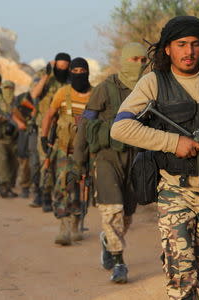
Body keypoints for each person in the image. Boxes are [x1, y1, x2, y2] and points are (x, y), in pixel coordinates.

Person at [110, 16, 199, 299]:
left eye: (194, 44)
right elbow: (120, 126)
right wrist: (172, 142)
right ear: (167, 49)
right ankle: (178, 265)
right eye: (181, 45)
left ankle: (180, 262)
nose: (188, 52)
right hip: (173, 188)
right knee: (182, 280)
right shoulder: (153, 82)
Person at [73, 42, 147, 284]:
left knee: (127, 213)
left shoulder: (149, 89)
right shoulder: (105, 89)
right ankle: (119, 262)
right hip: (107, 157)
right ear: (124, 60)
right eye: (133, 60)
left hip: (135, 158)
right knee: (112, 208)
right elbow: (85, 124)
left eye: (142, 60)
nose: (138, 65)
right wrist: (79, 162)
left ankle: (108, 240)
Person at [41, 57, 92, 246]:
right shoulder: (63, 93)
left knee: (80, 188)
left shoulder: (94, 94)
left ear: (88, 72)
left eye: (82, 71)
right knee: (62, 186)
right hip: (63, 150)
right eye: (75, 71)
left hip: (85, 153)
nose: (79, 75)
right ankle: (64, 226)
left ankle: (77, 222)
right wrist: (44, 138)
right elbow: (49, 115)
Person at [32, 52, 71, 212]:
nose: (62, 68)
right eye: (59, 66)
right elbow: (34, 94)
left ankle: (60, 197)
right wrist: (46, 76)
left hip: (63, 127)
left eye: (65, 66)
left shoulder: (70, 79)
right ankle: (45, 195)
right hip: (45, 127)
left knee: (61, 164)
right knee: (46, 162)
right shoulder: (44, 74)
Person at [11, 91, 40, 202]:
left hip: (38, 132)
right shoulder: (23, 97)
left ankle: (37, 187)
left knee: (36, 161)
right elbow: (13, 112)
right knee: (24, 159)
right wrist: (19, 122)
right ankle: (25, 187)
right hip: (26, 131)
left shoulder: (47, 97)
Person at [0, 80, 19, 198]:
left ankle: (9, 186)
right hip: (1, 138)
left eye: (10, 88)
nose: (8, 91)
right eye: (5, 88)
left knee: (13, 164)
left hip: (15, 138)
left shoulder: (17, 102)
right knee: (3, 161)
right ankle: (3, 186)